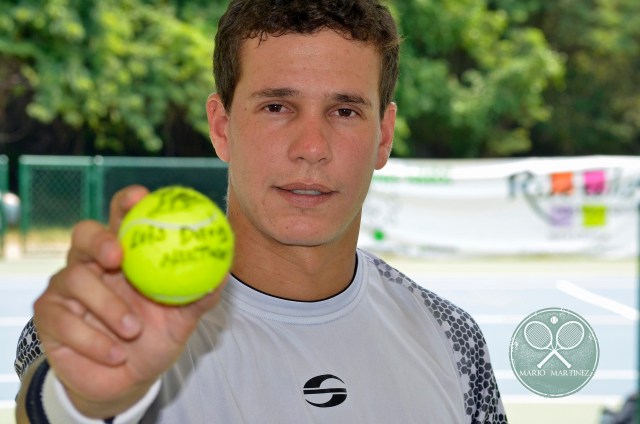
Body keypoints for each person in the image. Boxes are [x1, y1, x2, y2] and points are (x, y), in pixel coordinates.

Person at [15, 0, 508, 422]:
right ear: (222, 126)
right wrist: (81, 399)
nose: (312, 147)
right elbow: (59, 404)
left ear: (383, 134)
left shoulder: (452, 338)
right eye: (277, 107)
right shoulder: (115, 322)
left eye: (345, 111)